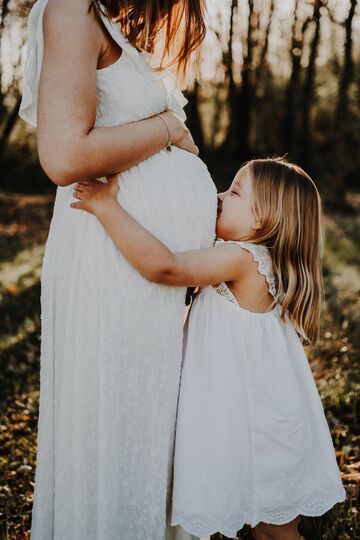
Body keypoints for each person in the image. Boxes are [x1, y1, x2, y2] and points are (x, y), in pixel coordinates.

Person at [18, 0, 217, 539]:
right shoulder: (68, 10)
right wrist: (166, 129)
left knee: (152, 426)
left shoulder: (107, 21)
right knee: (120, 428)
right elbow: (63, 156)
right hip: (111, 265)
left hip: (147, 276)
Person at [70, 157, 347, 540]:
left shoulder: (243, 259)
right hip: (260, 414)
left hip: (258, 422)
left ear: (264, 219)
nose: (218, 196)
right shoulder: (254, 260)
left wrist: (107, 207)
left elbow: (165, 267)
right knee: (269, 529)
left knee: (274, 530)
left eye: (234, 192)